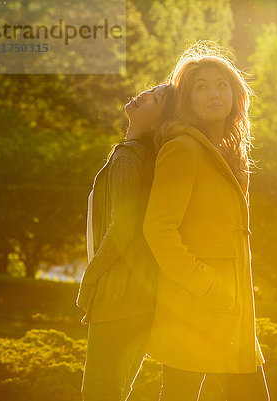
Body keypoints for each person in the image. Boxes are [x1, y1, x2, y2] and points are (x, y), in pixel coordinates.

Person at [142, 43, 270, 401]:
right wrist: (205, 286)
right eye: (201, 86)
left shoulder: (229, 155)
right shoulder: (182, 149)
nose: (214, 94)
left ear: (236, 94)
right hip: (195, 309)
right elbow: (158, 228)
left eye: (222, 85)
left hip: (231, 313)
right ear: (187, 99)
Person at [77, 83, 174, 401]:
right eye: (149, 90)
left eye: (156, 98)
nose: (144, 95)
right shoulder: (145, 159)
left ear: (161, 120)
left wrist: (91, 277)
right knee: (116, 392)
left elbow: (121, 228)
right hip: (142, 297)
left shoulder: (128, 158)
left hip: (118, 293)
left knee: (99, 392)